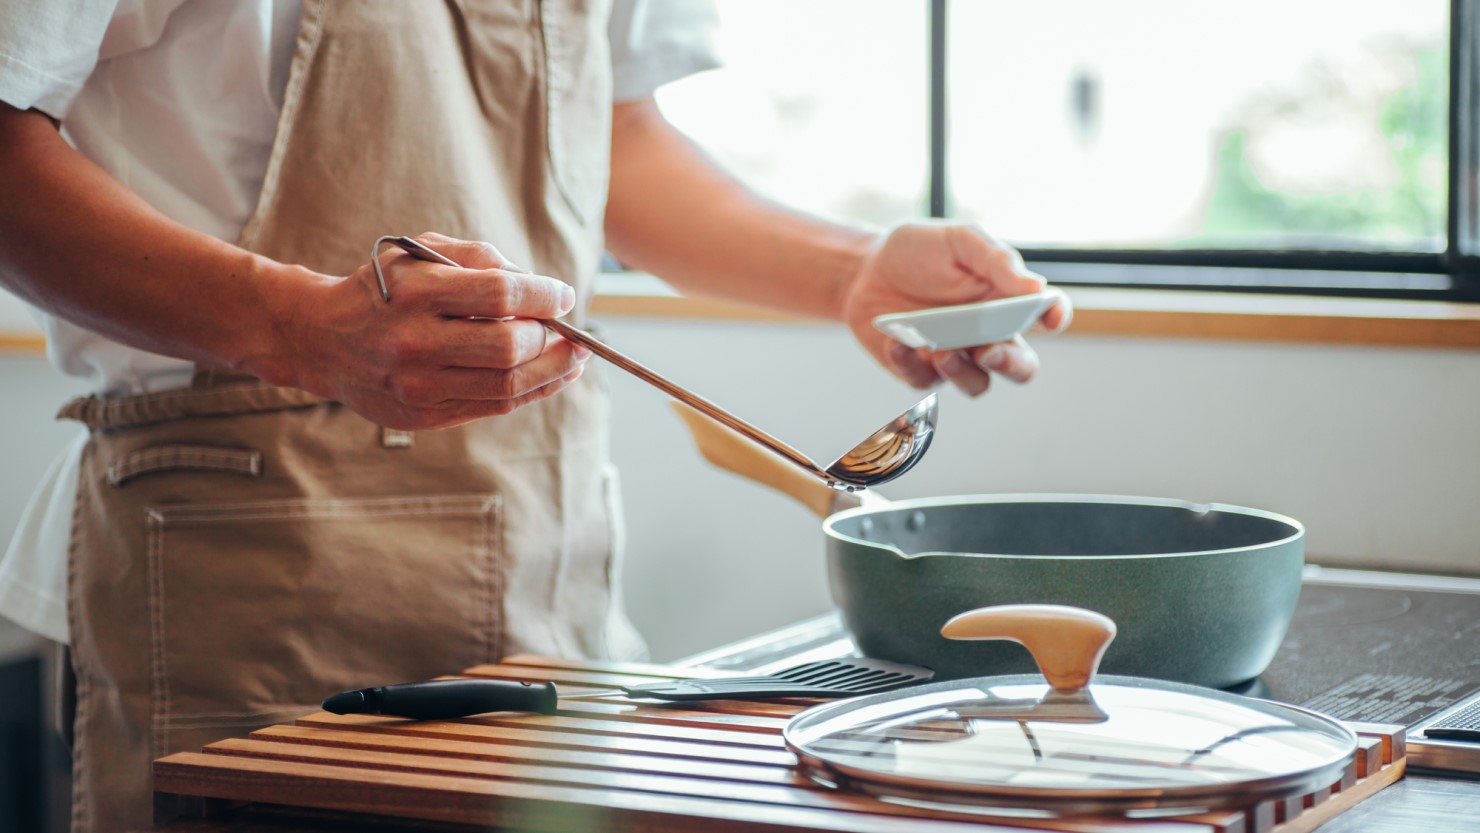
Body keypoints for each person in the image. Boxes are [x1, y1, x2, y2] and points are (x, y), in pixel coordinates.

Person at [0, 2, 1070, 831]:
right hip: (252, 570)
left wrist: (849, 270)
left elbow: (615, 138)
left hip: (548, 559)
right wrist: (296, 326)